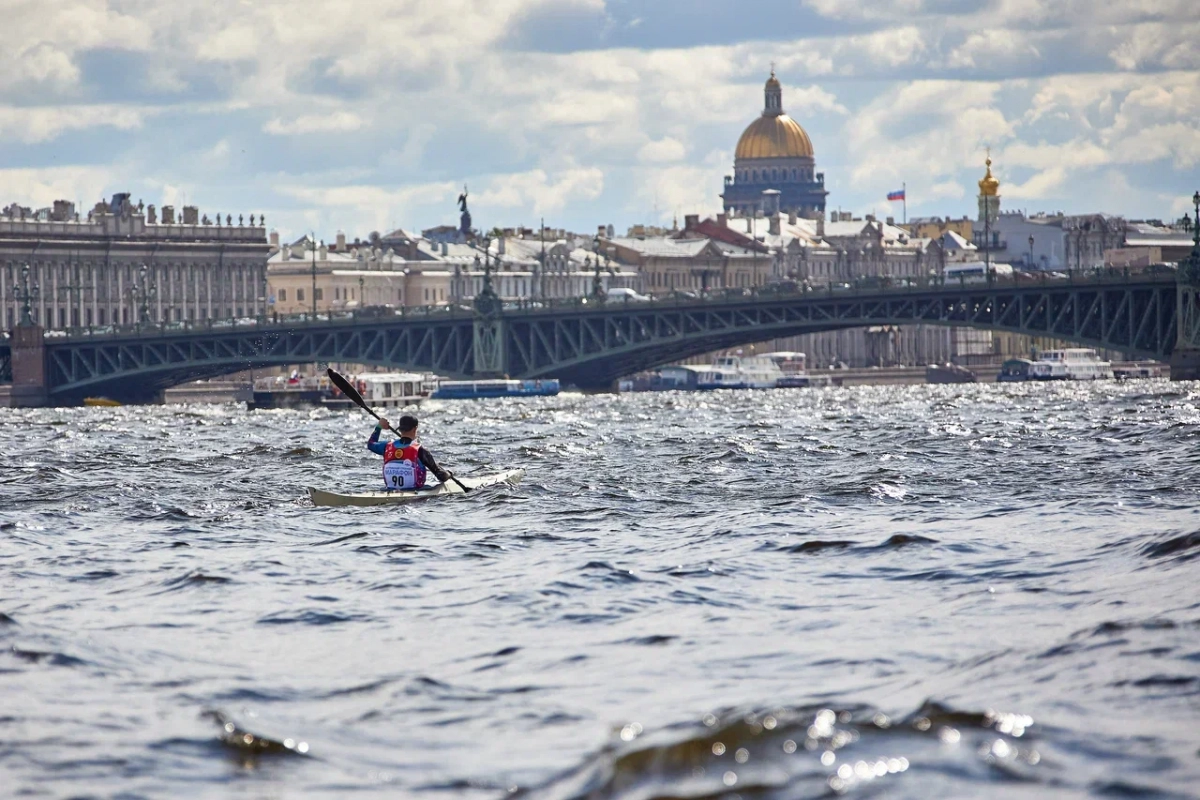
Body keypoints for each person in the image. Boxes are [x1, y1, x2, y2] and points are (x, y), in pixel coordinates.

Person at [366, 414, 453, 491]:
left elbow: (370, 444)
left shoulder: (387, 446)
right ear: (415, 429)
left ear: (400, 430)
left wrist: (379, 426)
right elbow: (441, 476)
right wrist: (449, 474)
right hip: (415, 492)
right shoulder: (420, 450)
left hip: (390, 490)